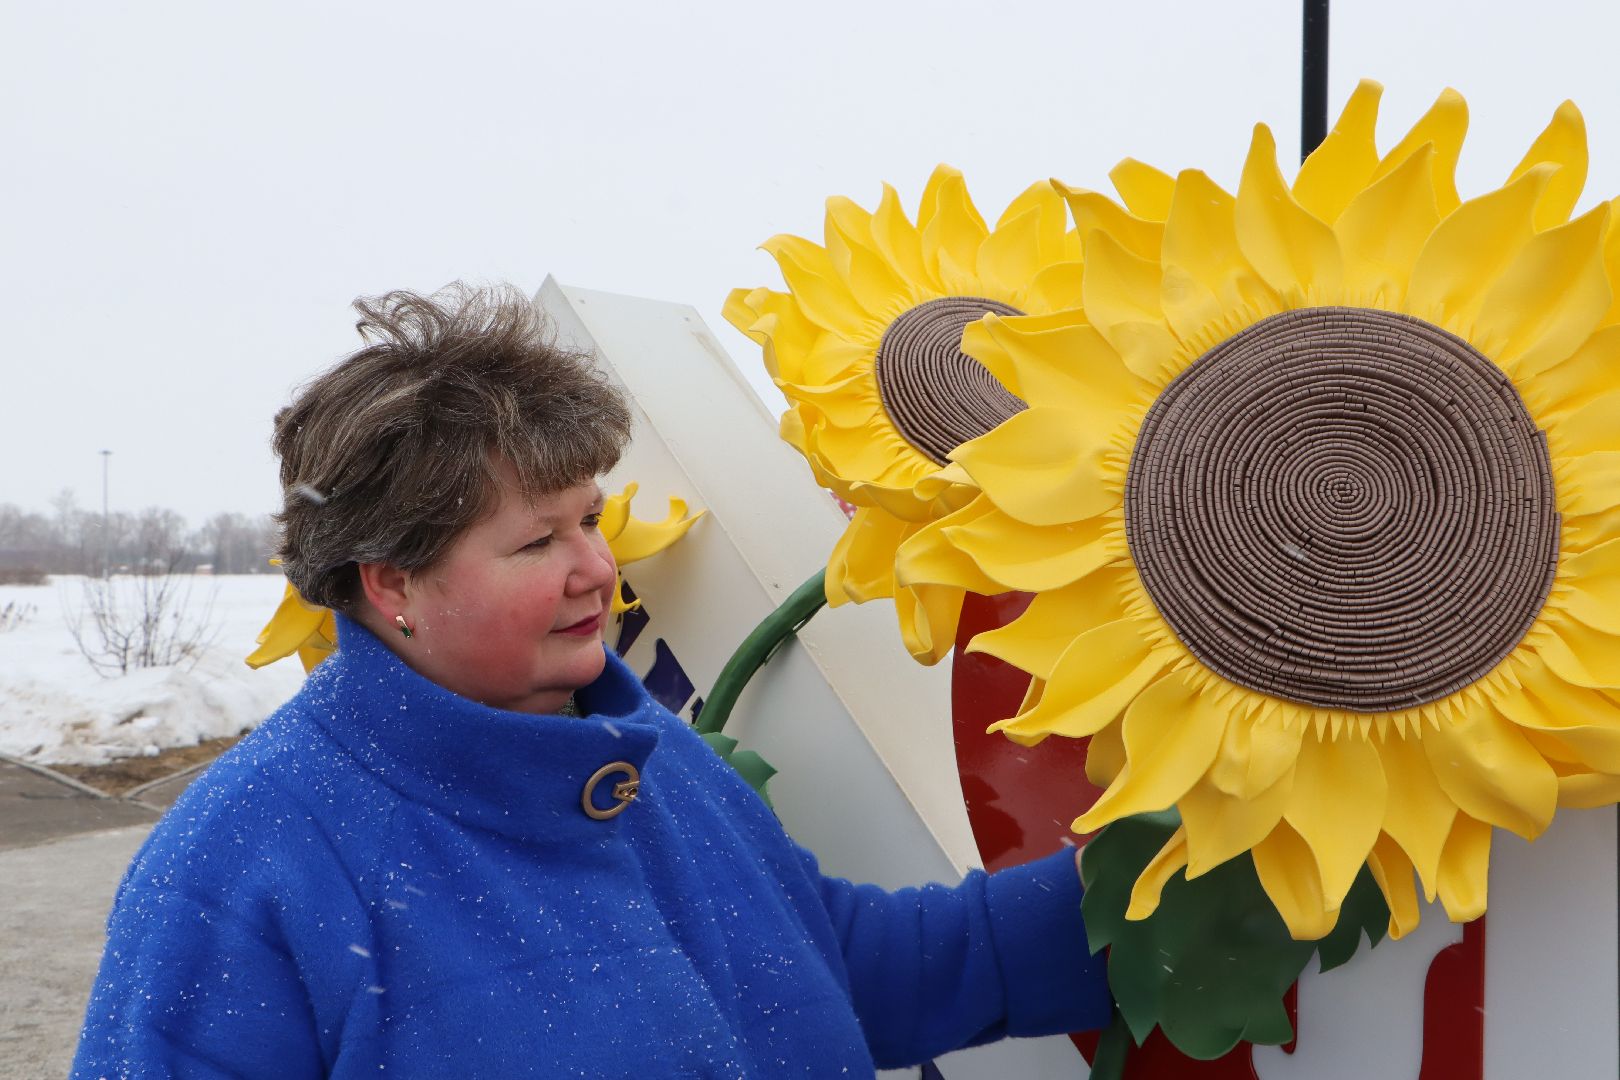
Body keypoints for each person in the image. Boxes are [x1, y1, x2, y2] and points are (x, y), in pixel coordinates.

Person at [72, 285, 1111, 1078]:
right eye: (535, 543)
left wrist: (1131, 898)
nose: (596, 570)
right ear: (394, 583)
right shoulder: (241, 866)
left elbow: (832, 961)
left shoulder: (652, 764)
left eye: (593, 521)